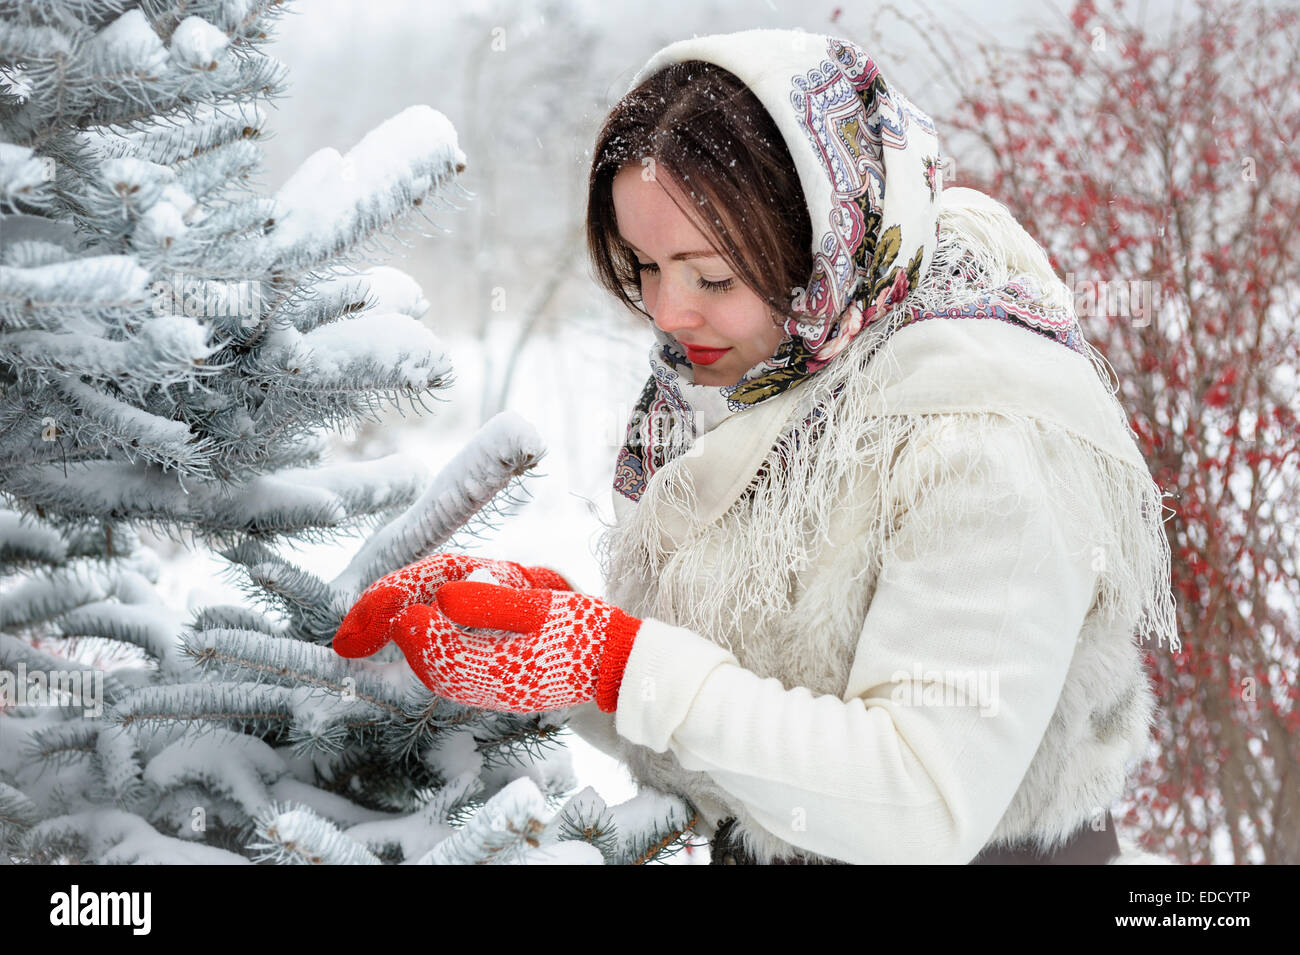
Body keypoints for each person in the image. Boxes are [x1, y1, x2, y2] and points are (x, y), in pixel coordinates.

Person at [333, 28, 1180, 865]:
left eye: (711, 276)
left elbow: (918, 804)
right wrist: (551, 642)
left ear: (819, 237)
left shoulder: (980, 432)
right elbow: (736, 724)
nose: (667, 312)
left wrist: (614, 659)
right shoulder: (771, 380)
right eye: (643, 264)